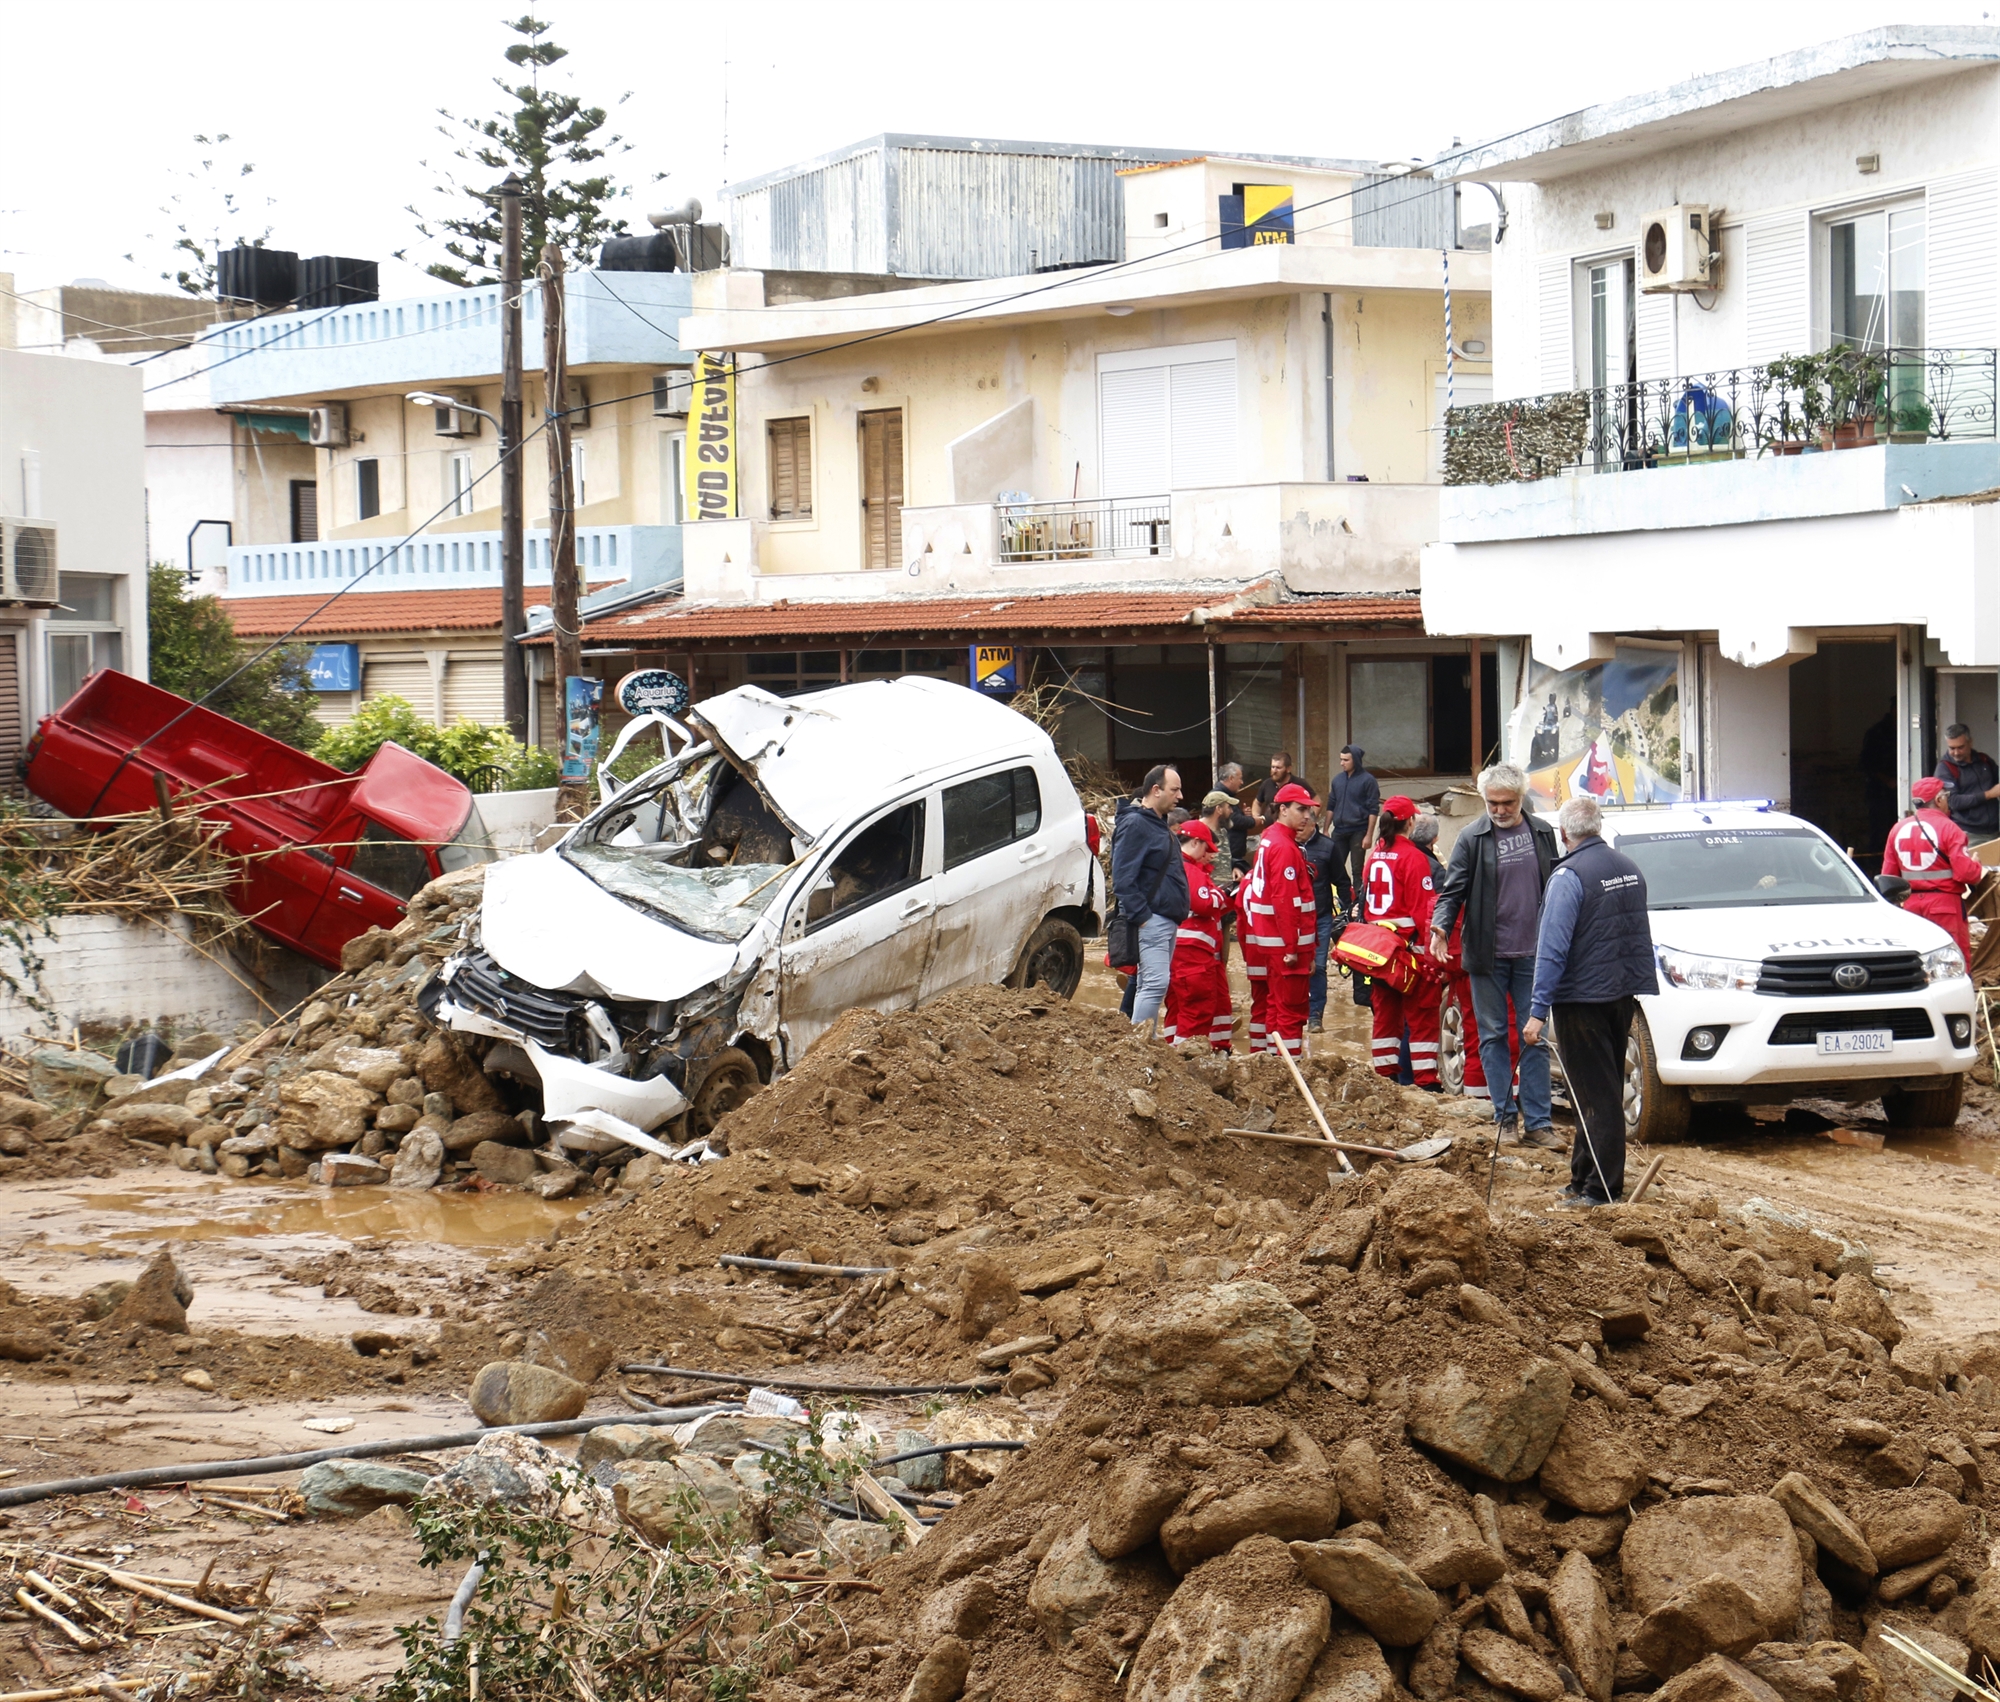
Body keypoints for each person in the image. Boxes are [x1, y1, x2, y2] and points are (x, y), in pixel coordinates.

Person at [1525, 795, 1658, 1210]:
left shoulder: (1569, 876)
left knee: (1595, 1097)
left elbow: (1552, 949)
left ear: (1564, 834)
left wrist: (1536, 1011)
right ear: (1597, 828)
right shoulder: (1629, 869)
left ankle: (1600, 1190)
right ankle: (1581, 1179)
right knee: (1596, 1091)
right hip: (1621, 996)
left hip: (1581, 1000)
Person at [1428, 762, 1560, 1149]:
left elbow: (1556, 886)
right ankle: (1505, 1119)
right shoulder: (1472, 837)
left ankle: (1539, 1123)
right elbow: (1452, 891)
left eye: (1508, 802)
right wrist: (1440, 925)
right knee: (1493, 1035)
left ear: (1521, 799)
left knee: (1533, 1036)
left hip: (1533, 953)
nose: (1500, 810)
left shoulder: (1542, 832)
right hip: (1487, 953)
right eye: (1493, 803)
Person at [1361, 796, 1438, 1085]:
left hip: (1377, 952)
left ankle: (1384, 1077)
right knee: (1421, 1016)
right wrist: (1430, 957)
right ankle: (1426, 1080)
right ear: (1410, 822)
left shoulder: (1375, 855)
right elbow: (1424, 911)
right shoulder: (1414, 857)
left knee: (1384, 1015)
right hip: (1408, 950)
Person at [1240, 782, 1318, 1058]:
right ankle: (1290, 1068)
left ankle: (1274, 1065)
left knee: (1275, 1006)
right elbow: (1285, 902)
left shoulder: (1270, 838)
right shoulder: (1284, 847)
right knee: (1291, 1011)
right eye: (1301, 809)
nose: (1307, 816)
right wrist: (1291, 947)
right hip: (1288, 946)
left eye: (1308, 810)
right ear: (1282, 809)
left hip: (1271, 942)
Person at [1111, 765, 1187, 1031]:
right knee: (1154, 984)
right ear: (1156, 790)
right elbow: (1122, 877)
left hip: (1162, 919)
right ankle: (1140, 1047)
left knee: (1149, 984)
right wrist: (1143, 917)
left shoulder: (1154, 823)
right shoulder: (1136, 824)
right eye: (1174, 790)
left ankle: (1145, 1044)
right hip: (1152, 919)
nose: (1179, 796)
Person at [1883, 776, 1983, 962]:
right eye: (1946, 796)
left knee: (1918, 962)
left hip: (1911, 907)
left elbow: (1888, 879)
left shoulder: (1897, 829)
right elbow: (1967, 874)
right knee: (1952, 962)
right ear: (1938, 800)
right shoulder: (1950, 829)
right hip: (1945, 907)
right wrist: (1975, 864)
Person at [1163, 821, 1234, 1052]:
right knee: (1196, 1011)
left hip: (1181, 953)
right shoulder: (1189, 870)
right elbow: (1204, 904)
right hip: (1192, 956)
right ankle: (1186, 1061)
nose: (1208, 856)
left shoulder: (1173, 866)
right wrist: (1223, 896)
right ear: (1195, 843)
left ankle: (1174, 1053)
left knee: (1179, 1008)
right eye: (1206, 849)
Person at [1300, 802, 1352, 1034]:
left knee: (1318, 967)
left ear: (1313, 824)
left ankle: (1315, 1016)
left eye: (1304, 822)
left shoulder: (1328, 848)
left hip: (1320, 917)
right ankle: (1295, 1014)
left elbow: (1342, 882)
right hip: (1293, 918)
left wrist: (1346, 917)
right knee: (1294, 966)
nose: (1299, 827)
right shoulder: (1286, 846)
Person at [1328, 745, 1381, 898]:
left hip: (1359, 829)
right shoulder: (1337, 780)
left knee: (1357, 869)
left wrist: (1369, 835)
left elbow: (1373, 809)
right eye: (1341, 759)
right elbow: (1331, 804)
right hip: (1339, 829)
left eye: (1346, 760)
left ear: (1355, 761)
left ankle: (1358, 901)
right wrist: (1326, 829)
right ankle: (1339, 899)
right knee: (1334, 866)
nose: (1342, 763)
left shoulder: (1368, 780)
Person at [1935, 723, 2000, 847]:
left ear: (1970, 742)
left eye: (1960, 747)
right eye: (1951, 748)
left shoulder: (1984, 760)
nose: (1956, 753)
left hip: (1995, 831)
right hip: (1967, 834)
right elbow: (1953, 802)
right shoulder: (1945, 768)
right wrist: (1989, 794)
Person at [1215, 764, 1256, 875]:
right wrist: (1254, 821)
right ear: (1231, 778)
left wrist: (1243, 814)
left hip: (1233, 856)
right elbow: (1234, 820)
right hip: (1227, 857)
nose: (1242, 782)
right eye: (1240, 778)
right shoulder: (1219, 796)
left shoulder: (1228, 795)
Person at [1254, 751, 1297, 825]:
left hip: (1291, 833)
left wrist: (1307, 824)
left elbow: (1317, 802)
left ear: (1288, 769)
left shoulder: (1298, 784)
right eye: (1273, 767)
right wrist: (1256, 817)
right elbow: (1257, 803)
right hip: (1270, 831)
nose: (1274, 771)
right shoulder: (1267, 783)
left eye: (1278, 768)